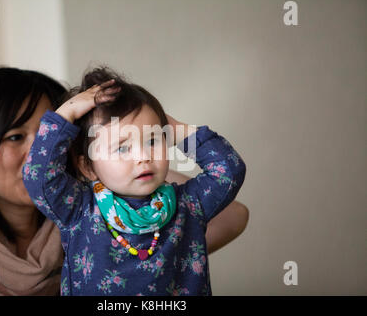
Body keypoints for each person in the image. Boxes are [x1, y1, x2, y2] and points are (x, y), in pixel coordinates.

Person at [0, 67, 248, 296]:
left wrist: (149, 143)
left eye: (56, 134)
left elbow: (233, 213)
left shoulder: (132, 215)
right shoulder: (80, 215)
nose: (40, 149)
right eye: (16, 136)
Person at [22, 67, 247, 295]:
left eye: (152, 140)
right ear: (87, 167)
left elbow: (228, 170)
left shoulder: (188, 205)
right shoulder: (79, 209)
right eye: (122, 148)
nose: (143, 157)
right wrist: (66, 114)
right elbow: (39, 177)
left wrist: (178, 129)